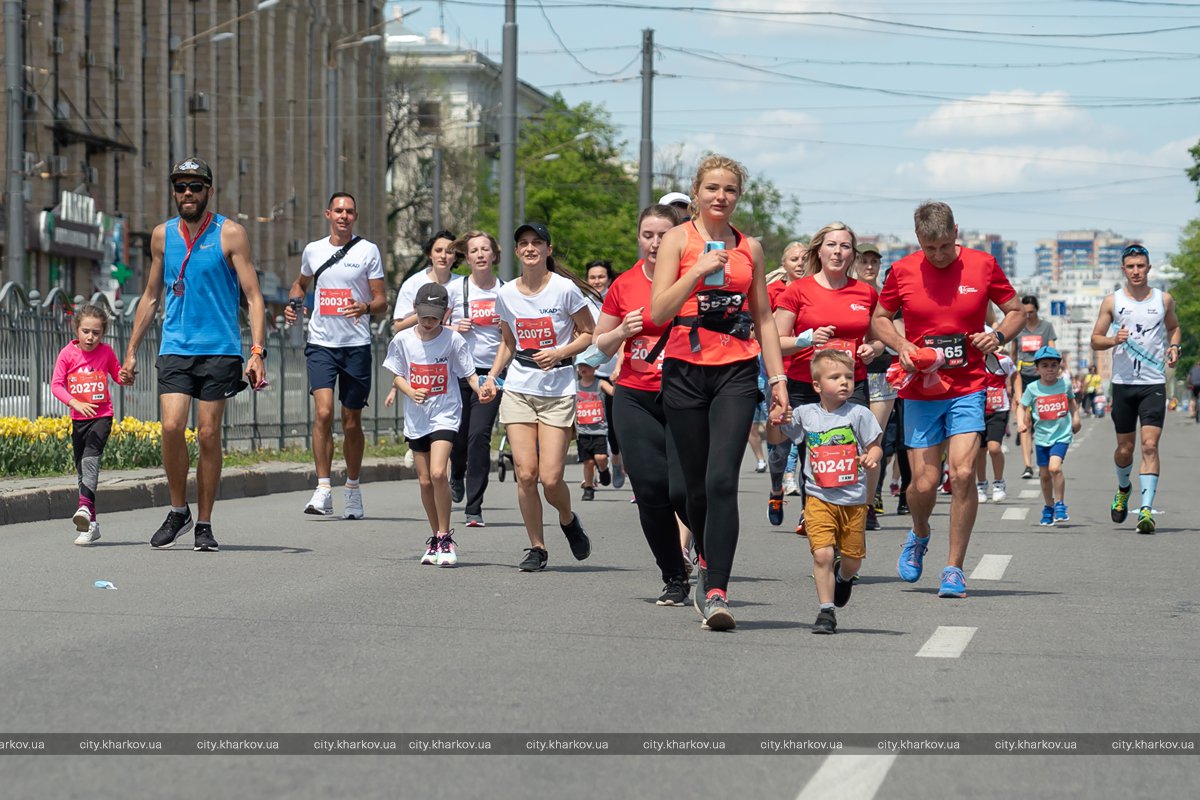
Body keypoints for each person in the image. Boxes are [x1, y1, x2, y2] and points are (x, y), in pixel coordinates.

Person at [650, 154, 789, 631]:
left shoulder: (750, 247)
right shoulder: (676, 240)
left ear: (738, 196)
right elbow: (657, 313)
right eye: (712, 188)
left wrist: (778, 381)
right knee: (688, 489)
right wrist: (695, 271)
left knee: (722, 481)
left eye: (729, 189)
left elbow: (765, 318)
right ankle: (705, 556)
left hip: (735, 369)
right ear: (697, 191)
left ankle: (716, 590)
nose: (721, 196)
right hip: (685, 371)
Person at [870, 201, 1024, 598]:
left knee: (963, 474)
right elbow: (880, 318)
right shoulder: (903, 271)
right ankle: (920, 533)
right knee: (922, 482)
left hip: (968, 385)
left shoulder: (983, 265)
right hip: (921, 387)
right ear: (918, 240)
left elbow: (1015, 311)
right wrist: (901, 343)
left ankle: (954, 568)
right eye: (929, 247)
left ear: (956, 233)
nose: (938, 255)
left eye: (944, 245)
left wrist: (998, 336)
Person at [120, 156, 267, 551]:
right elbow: (151, 296)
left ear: (209, 191)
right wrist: (131, 351)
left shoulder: (230, 233)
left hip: (219, 349)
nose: (187, 193)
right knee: (170, 427)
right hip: (175, 347)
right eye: (181, 186)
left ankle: (204, 522)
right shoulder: (161, 235)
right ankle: (177, 509)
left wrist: (256, 351)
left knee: (207, 434)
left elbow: (253, 297)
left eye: (195, 186)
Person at [478, 222, 598, 570]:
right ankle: (537, 547)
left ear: (548, 249)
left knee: (550, 478)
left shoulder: (564, 290)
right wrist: (492, 377)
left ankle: (567, 517)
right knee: (526, 473)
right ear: (516, 252)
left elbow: (589, 334)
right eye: (524, 243)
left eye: (537, 243)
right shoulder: (507, 294)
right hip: (519, 388)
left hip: (557, 390)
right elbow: (507, 342)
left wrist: (560, 353)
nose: (530, 248)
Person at [592, 203, 694, 607]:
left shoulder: (693, 278)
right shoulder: (624, 285)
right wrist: (621, 330)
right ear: (638, 237)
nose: (654, 243)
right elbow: (600, 345)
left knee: (684, 490)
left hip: (685, 393)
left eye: (662, 236)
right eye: (647, 235)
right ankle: (673, 575)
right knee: (651, 489)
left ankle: (707, 551)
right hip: (635, 396)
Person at [770, 222, 881, 533]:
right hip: (807, 385)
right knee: (817, 458)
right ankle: (817, 522)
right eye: (831, 245)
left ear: (852, 255)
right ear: (818, 250)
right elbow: (775, 340)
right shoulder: (798, 290)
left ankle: (849, 528)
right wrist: (807, 339)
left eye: (845, 246)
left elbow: (877, 338)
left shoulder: (865, 293)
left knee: (850, 455)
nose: (838, 251)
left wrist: (871, 349)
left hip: (851, 384)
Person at [284, 192, 386, 520]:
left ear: (355, 216)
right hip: (321, 343)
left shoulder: (368, 250)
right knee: (324, 413)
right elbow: (299, 285)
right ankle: (324, 488)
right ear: (328, 213)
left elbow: (382, 300)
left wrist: (366, 307)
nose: (343, 216)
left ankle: (353, 489)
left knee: (351, 421)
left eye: (350, 212)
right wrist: (294, 305)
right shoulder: (314, 250)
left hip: (355, 345)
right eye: (338, 210)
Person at [780, 350, 883, 634]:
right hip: (818, 497)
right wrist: (777, 418)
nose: (844, 383)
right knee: (822, 554)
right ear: (817, 385)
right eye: (835, 377)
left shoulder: (859, 414)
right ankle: (826, 612)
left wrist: (872, 455)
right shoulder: (805, 414)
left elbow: (875, 444)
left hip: (853, 501)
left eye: (849, 377)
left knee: (852, 560)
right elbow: (780, 436)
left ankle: (844, 577)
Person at [384, 283, 481, 566]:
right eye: (424, 316)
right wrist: (409, 391)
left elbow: (470, 374)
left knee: (439, 473)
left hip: (445, 413)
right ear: (415, 310)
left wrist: (480, 389)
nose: (428, 322)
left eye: (434, 317)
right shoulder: (403, 340)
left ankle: (445, 535)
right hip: (417, 416)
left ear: (445, 314)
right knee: (425, 480)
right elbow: (397, 375)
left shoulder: (452, 341)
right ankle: (435, 538)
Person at [1090, 243, 1182, 534]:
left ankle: (1146, 510)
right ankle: (1123, 487)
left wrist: (1175, 346)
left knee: (1150, 445)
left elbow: (1173, 327)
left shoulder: (1163, 299)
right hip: (1123, 384)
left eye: (1141, 266)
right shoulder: (1112, 301)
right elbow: (1095, 340)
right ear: (1123, 269)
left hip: (1153, 383)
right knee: (1125, 449)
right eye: (1130, 267)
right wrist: (1114, 339)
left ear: (1148, 268)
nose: (1136, 271)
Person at [51, 303, 125, 546]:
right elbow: (56, 385)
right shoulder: (67, 354)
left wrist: (126, 376)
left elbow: (118, 375)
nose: (90, 337)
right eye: (86, 331)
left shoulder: (106, 352)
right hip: (78, 419)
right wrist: (75, 402)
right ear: (76, 330)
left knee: (91, 459)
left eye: (96, 332)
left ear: (103, 333)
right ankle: (91, 525)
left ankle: (83, 507)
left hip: (102, 416)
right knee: (83, 470)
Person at [446, 231, 506, 527]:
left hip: (491, 374)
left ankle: (474, 506)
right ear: (467, 258)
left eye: (486, 249)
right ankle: (456, 474)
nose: (481, 254)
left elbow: (516, 336)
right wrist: (455, 327)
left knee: (479, 436)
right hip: (459, 372)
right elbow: (437, 326)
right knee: (458, 438)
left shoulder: (507, 291)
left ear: (495, 255)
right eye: (474, 250)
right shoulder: (457, 290)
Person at [851, 240, 896, 526]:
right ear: (854, 263)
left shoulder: (886, 297)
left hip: (881, 374)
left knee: (872, 441)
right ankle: (844, 503)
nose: (869, 266)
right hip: (847, 372)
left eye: (874, 262)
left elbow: (897, 335)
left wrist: (878, 345)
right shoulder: (845, 291)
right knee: (847, 441)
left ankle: (867, 505)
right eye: (864, 261)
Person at [1018, 346, 1081, 526]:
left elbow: (1071, 401)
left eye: (1054, 365)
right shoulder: (1032, 388)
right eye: (1045, 365)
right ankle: (1049, 506)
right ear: (1037, 369)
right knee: (1044, 475)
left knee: (1055, 468)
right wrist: (1022, 422)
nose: (1050, 369)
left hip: (1061, 435)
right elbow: (1021, 406)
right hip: (1042, 437)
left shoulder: (1065, 384)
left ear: (1059, 367)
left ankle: (1060, 504)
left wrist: (1076, 418)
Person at [767, 241, 806, 498]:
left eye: (804, 259)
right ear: (784, 264)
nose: (800, 264)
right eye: (794, 260)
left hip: (807, 371)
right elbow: (760, 327)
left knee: (806, 437)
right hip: (776, 370)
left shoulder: (816, 289)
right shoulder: (773, 291)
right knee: (779, 437)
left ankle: (809, 507)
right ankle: (777, 484)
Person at [585, 259, 624, 488]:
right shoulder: (584, 302)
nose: (596, 281)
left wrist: (619, 364)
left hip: (613, 372)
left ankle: (617, 460)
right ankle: (591, 470)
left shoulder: (616, 297)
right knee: (589, 423)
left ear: (609, 278)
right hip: (590, 373)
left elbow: (622, 335)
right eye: (592, 277)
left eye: (601, 277)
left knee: (613, 424)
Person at [1011, 296, 1056, 480]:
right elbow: (1012, 357)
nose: (1028, 315)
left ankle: (1045, 460)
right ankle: (1028, 465)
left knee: (1042, 420)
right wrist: (1010, 384)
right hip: (1023, 377)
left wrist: (1055, 375)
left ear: (1037, 310)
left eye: (1032, 312)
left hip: (1042, 379)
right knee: (1026, 421)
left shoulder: (1046, 327)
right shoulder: (1018, 328)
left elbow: (1053, 352)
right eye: (1026, 312)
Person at [391, 230, 458, 334]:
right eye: (438, 250)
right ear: (429, 254)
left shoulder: (463, 284)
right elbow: (398, 327)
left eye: (449, 252)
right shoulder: (413, 283)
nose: (443, 256)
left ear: (455, 257)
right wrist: (424, 311)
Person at [976, 344, 1015, 503]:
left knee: (994, 448)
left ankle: (999, 483)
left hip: (998, 409)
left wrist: (1016, 395)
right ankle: (981, 484)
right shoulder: (971, 362)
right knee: (979, 451)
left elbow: (1015, 375)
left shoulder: (1003, 360)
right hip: (977, 409)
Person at [574, 362, 612, 500]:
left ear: (596, 368)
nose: (583, 369)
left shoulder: (600, 384)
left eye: (588, 366)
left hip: (599, 430)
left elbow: (613, 392)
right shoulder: (574, 386)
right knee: (588, 462)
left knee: (600, 457)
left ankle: (603, 470)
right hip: (582, 430)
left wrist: (617, 380)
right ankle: (589, 488)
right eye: (581, 366)